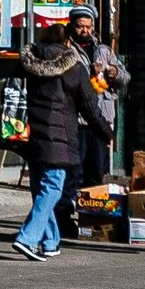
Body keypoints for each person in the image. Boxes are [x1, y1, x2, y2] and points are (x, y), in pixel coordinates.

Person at [14, 21, 112, 259]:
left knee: (41, 189)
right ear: (67, 41)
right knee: (52, 188)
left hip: (32, 136)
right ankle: (27, 238)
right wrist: (106, 133)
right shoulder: (73, 68)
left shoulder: (28, 64)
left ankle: (50, 242)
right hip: (59, 138)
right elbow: (89, 107)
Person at [66, 4, 128, 191]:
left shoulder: (104, 50)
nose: (84, 30)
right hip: (79, 119)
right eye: (80, 26)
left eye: (88, 26)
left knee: (98, 171)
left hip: (102, 118)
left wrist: (114, 72)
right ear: (72, 26)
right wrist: (87, 73)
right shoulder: (68, 50)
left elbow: (125, 78)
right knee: (76, 171)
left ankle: (93, 213)